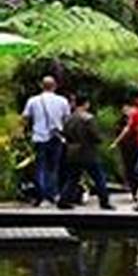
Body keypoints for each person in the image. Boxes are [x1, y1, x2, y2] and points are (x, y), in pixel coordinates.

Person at [56, 94, 113, 210]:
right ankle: (104, 201)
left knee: (72, 177)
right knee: (98, 177)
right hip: (87, 152)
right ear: (86, 104)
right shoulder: (88, 118)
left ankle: (63, 200)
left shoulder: (69, 118)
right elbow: (95, 136)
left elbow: (64, 134)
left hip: (72, 152)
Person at [22, 76, 70, 206]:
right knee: (53, 167)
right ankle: (52, 194)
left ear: (41, 86)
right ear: (55, 86)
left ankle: (41, 196)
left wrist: (25, 131)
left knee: (40, 167)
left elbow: (25, 118)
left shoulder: (33, 100)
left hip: (39, 136)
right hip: (56, 137)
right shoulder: (62, 101)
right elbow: (66, 119)